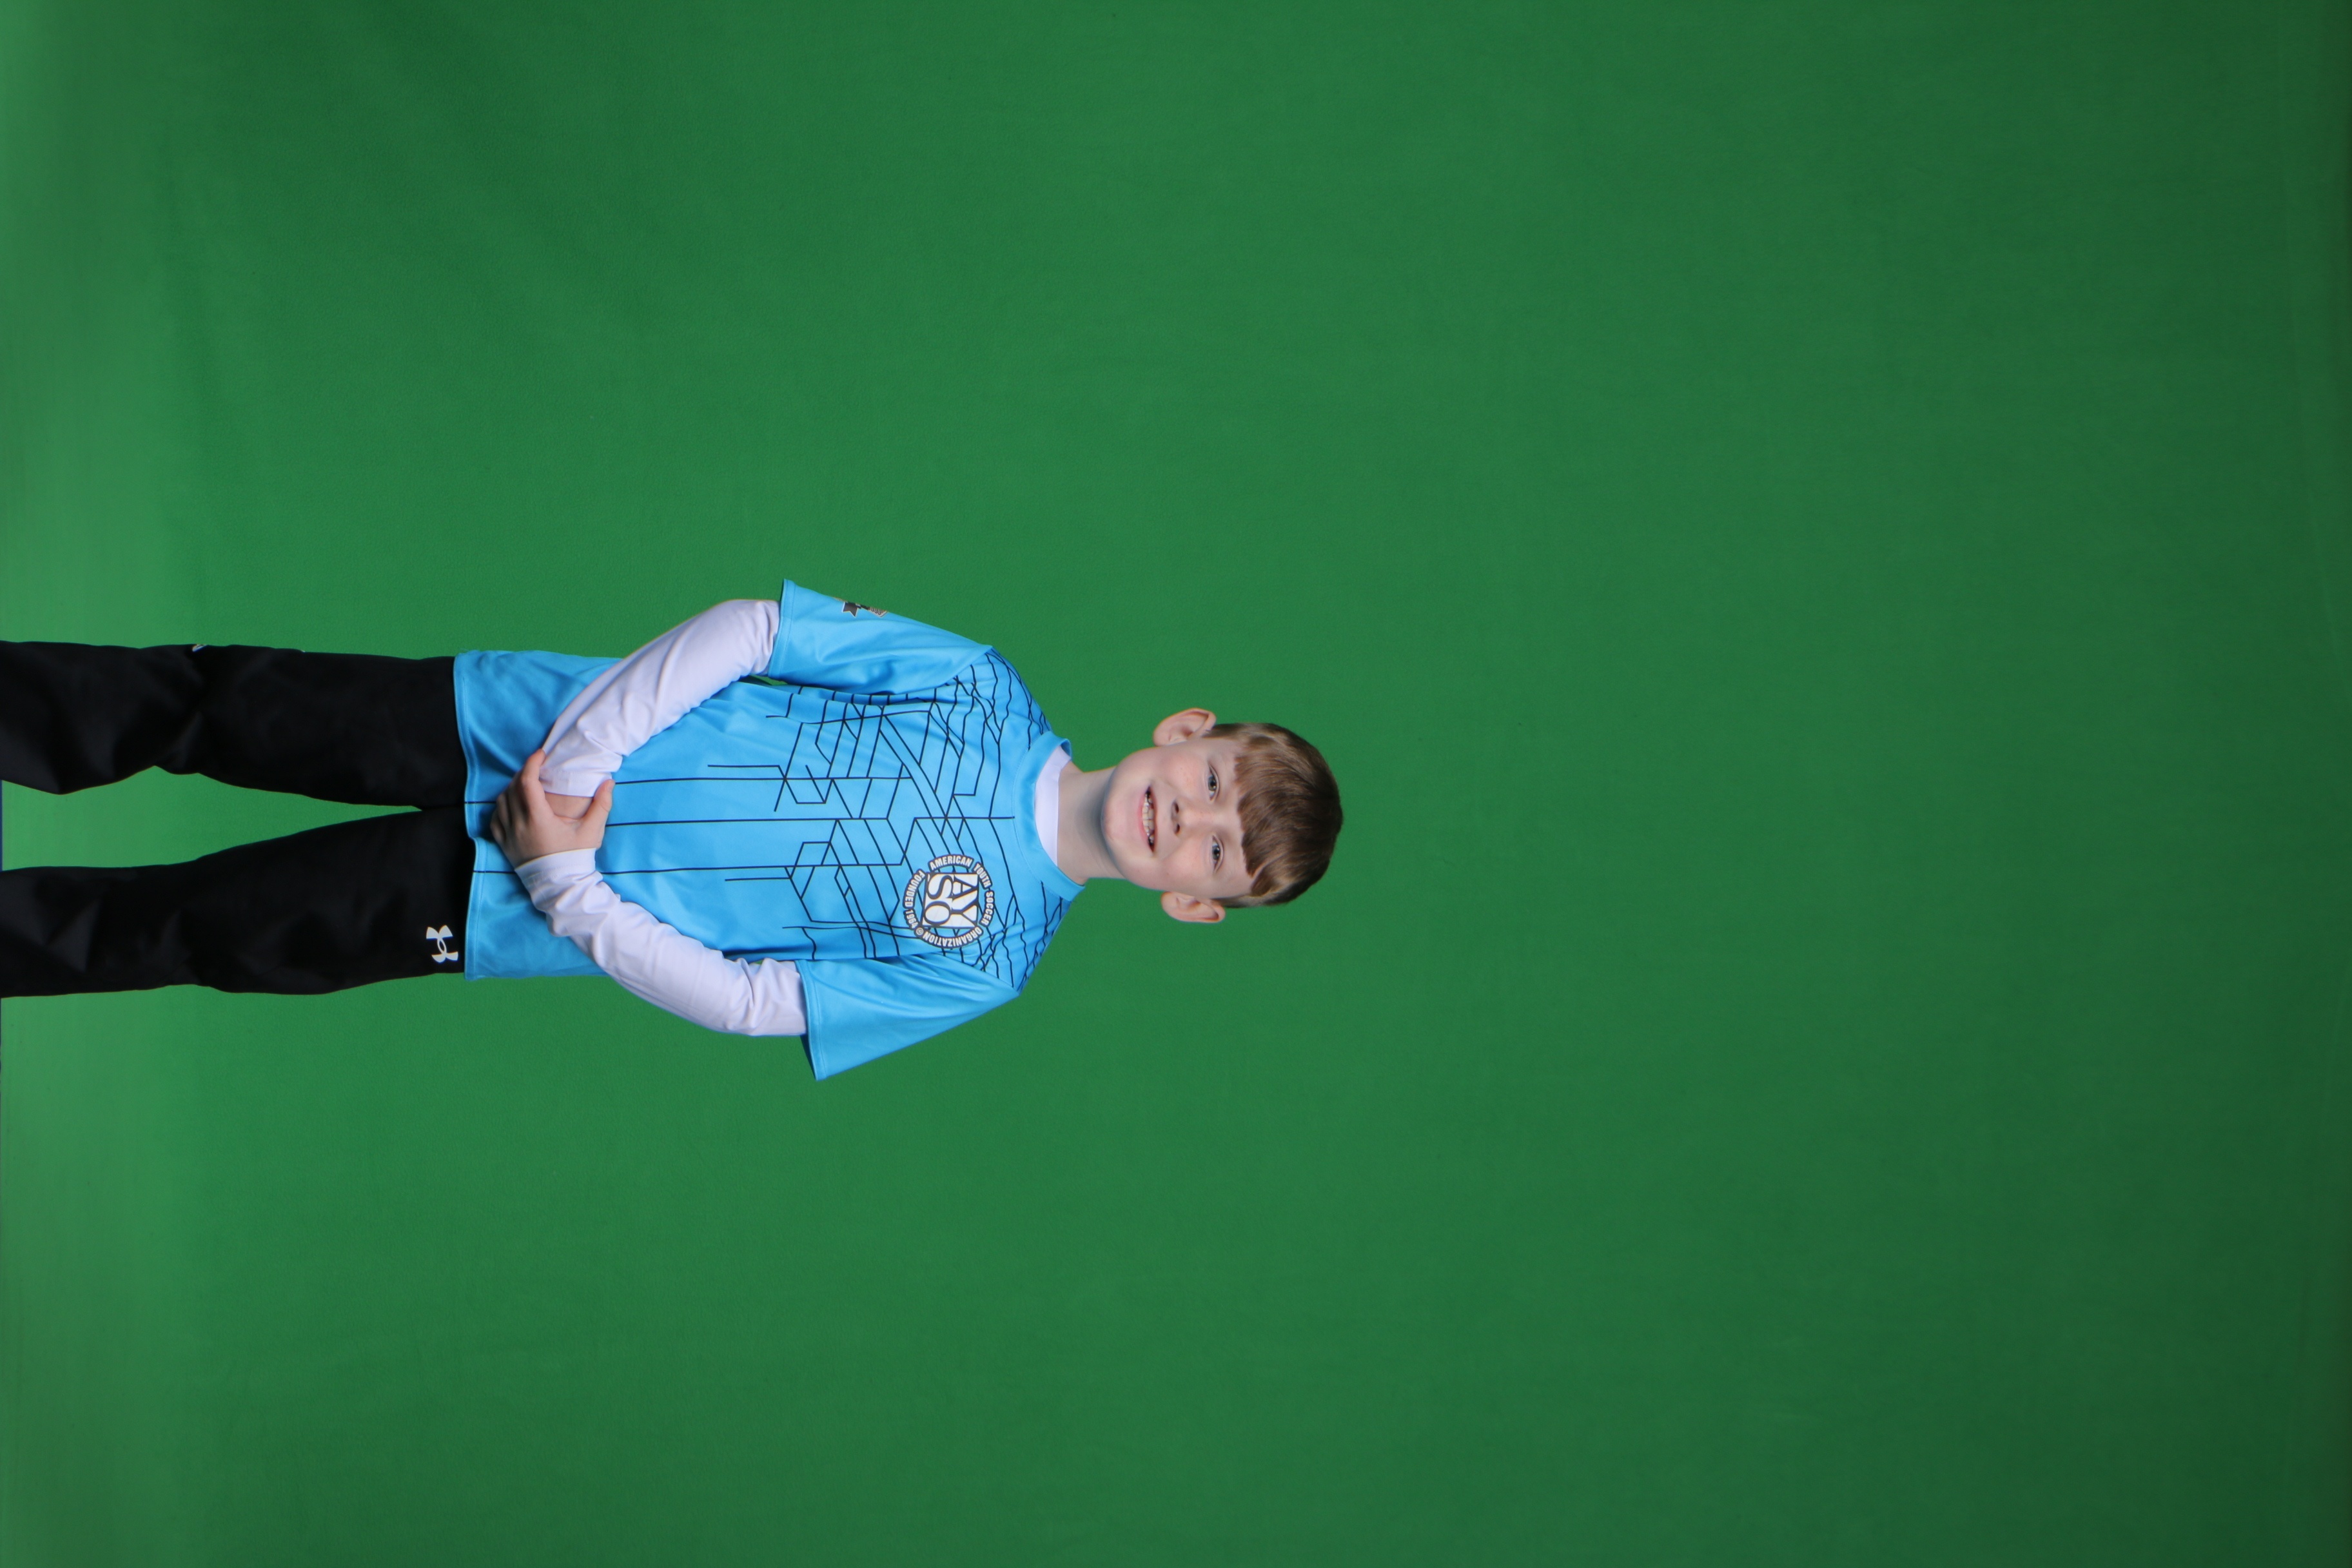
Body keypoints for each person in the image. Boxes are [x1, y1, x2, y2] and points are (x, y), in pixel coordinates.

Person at [0, 582, 1342, 1077]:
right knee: (206, 704)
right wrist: (580, 754)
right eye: (1213, 778)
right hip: (503, 723)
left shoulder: (985, 963)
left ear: (1193, 901)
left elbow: (760, 1005)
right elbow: (756, 632)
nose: (1191, 816)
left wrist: (569, 888)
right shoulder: (979, 687)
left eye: (1216, 850)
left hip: (499, 901)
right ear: (1187, 728)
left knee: (184, 930)